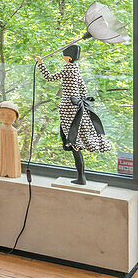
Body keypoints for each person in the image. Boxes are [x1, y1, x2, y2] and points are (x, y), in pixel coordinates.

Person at [36, 45, 111, 183]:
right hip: (77, 106)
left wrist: (41, 64)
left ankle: (81, 177)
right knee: (73, 137)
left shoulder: (67, 69)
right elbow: (83, 88)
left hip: (68, 107)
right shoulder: (76, 70)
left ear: (68, 58)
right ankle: (81, 176)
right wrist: (83, 102)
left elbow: (50, 78)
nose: (63, 57)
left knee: (72, 139)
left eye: (64, 55)